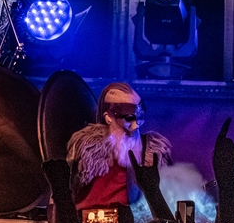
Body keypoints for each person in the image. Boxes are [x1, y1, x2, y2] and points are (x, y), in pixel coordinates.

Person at [66, 82, 171, 212]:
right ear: (108, 118)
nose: (136, 125)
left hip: (136, 221)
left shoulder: (154, 151)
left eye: (139, 117)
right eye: (129, 118)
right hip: (87, 222)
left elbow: (169, 196)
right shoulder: (86, 149)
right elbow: (63, 192)